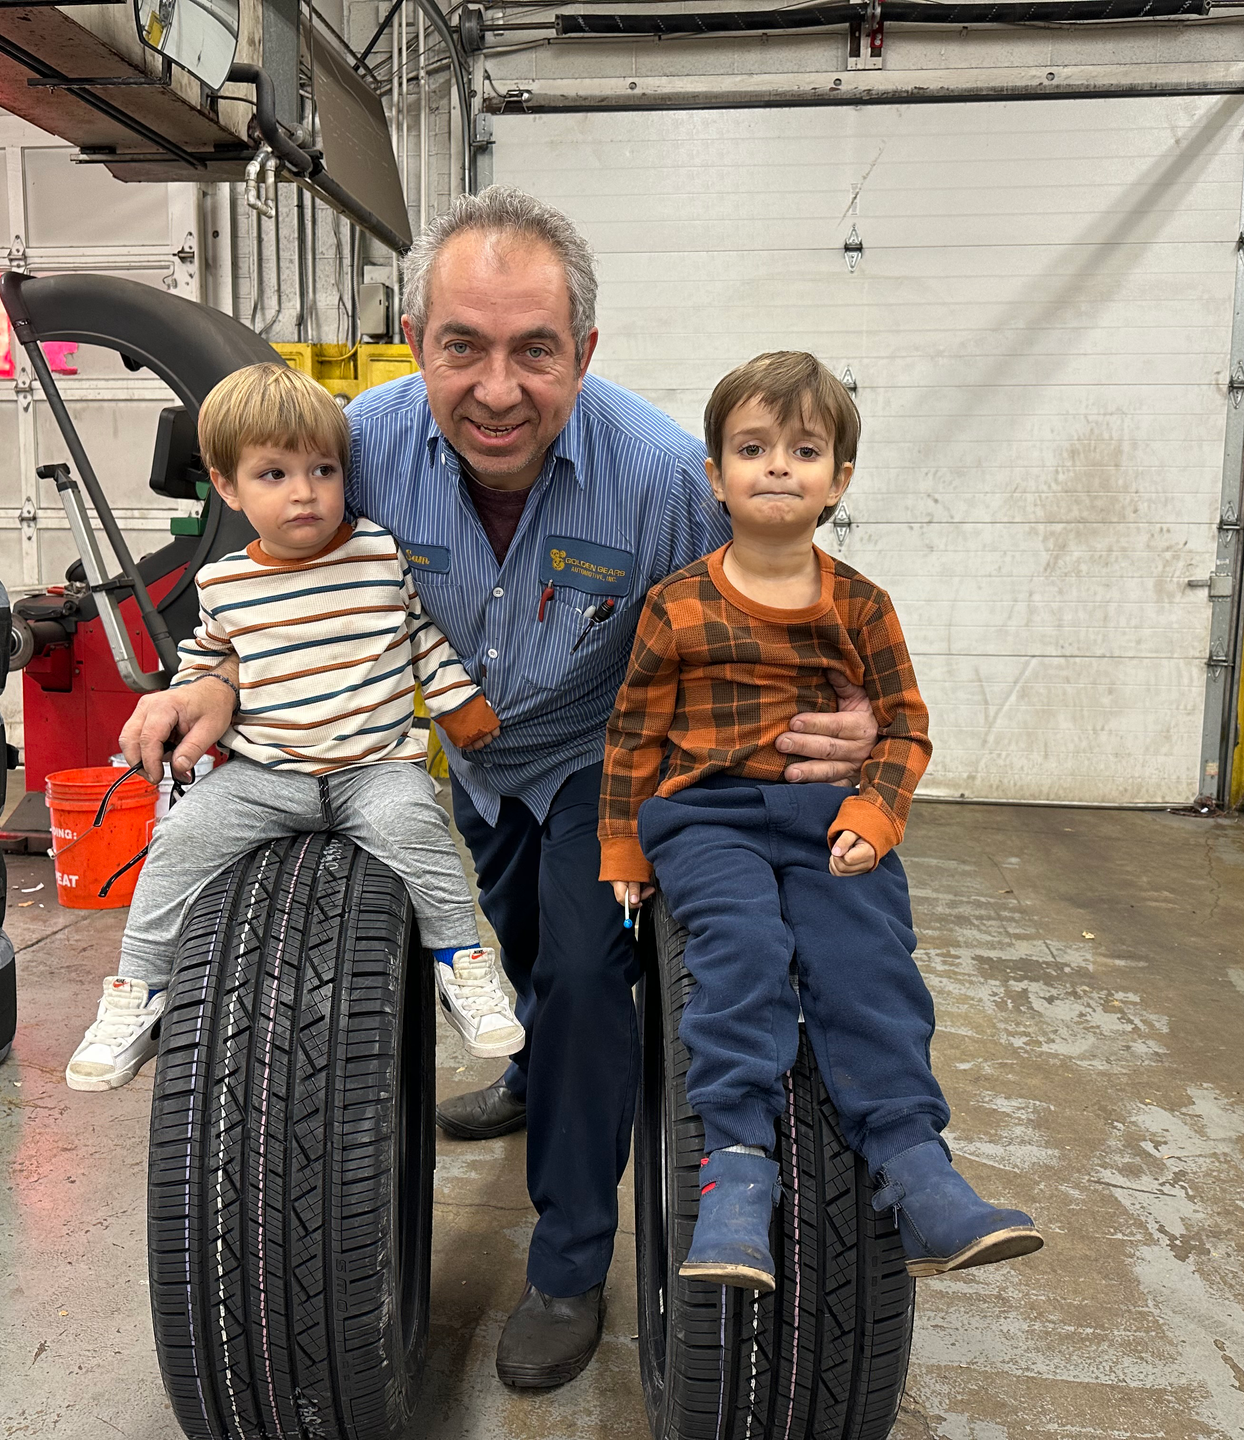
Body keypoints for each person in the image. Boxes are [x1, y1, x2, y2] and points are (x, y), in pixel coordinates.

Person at [118, 186, 881, 1389]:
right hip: (457, 756)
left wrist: (858, 714)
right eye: (461, 345)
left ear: (583, 352)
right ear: (416, 342)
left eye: (534, 349)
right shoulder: (353, 451)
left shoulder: (670, 478)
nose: (496, 386)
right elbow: (259, 589)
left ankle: (571, 1259)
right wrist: (203, 689)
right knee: (501, 938)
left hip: (603, 754)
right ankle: (524, 1073)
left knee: (584, 972)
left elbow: (788, 597)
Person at [601, 351, 1043, 1289]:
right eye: (751, 447)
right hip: (707, 817)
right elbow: (634, 733)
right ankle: (738, 1175)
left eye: (803, 450)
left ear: (838, 479)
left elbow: (906, 726)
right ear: (714, 475)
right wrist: (624, 846)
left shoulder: (861, 606)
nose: (776, 466)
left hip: (827, 817)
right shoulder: (674, 605)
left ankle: (918, 1171)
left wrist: (878, 816)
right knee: (743, 955)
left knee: (868, 963)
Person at [65, 362, 523, 1093]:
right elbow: (204, 667)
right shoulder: (222, 585)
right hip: (262, 777)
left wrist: (458, 703)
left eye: (322, 469)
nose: (304, 492)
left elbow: (420, 634)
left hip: (373, 769)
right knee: (177, 845)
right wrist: (181, 710)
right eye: (273, 474)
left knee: (423, 833)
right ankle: (137, 993)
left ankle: (462, 964)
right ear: (226, 486)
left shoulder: (378, 553)